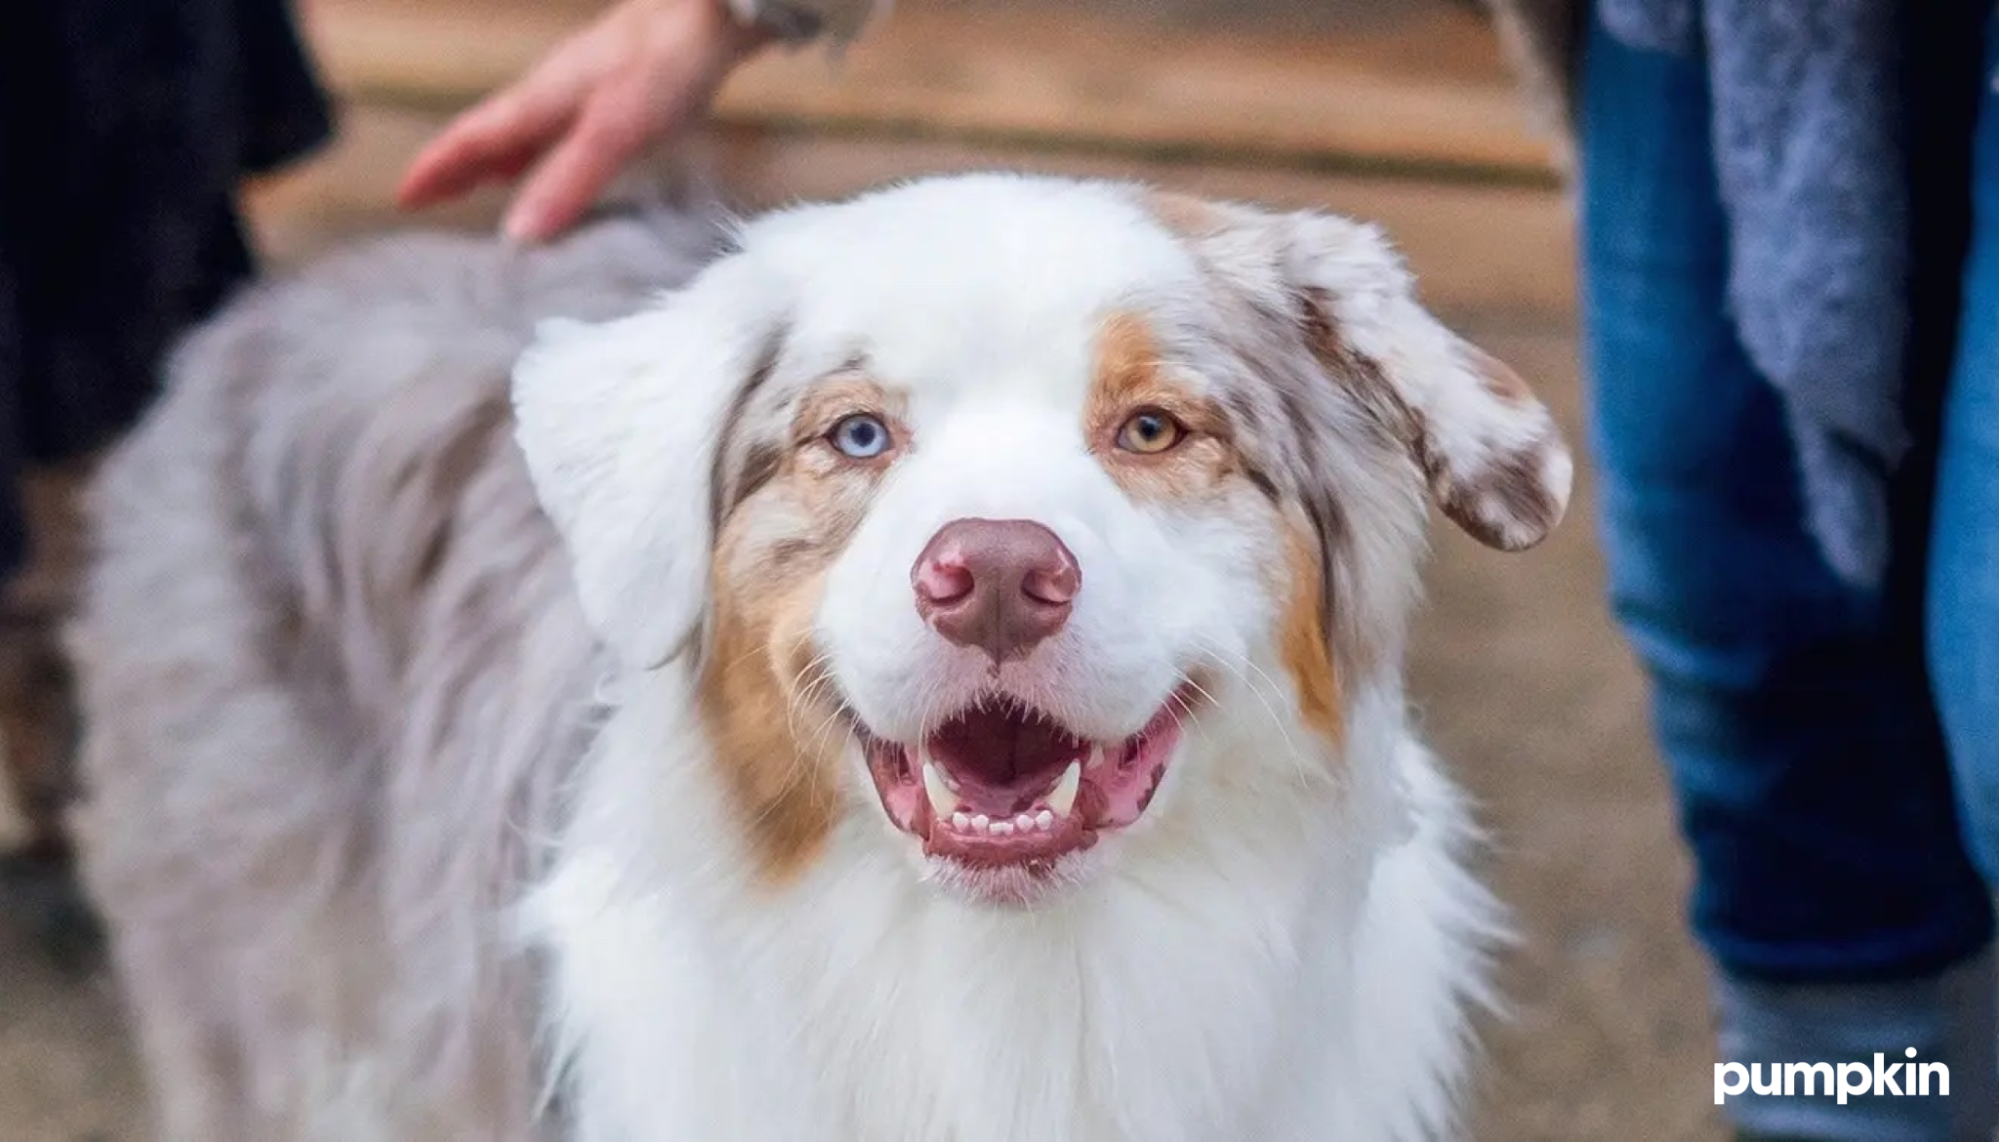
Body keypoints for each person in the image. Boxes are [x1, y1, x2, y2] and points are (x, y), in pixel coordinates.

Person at [410, 1, 1999, 1138]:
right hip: (1728, 39)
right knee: (1751, 650)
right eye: (856, 436)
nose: (994, 558)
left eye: (1155, 426)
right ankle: (1852, 1104)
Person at [0, 0, 334, 964]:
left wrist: (265, 104)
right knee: (58, 581)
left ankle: (91, 832)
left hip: (143, 269)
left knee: (130, 572)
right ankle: (76, 824)